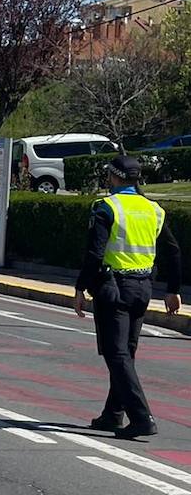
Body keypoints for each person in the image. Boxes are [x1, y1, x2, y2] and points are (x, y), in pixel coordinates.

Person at [73, 155, 181, 438]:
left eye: (109, 175)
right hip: (143, 289)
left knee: (116, 353)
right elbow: (173, 251)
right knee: (126, 353)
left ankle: (141, 417)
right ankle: (113, 415)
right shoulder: (153, 210)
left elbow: (94, 253)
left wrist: (80, 288)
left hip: (114, 287)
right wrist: (173, 290)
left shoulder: (107, 207)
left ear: (115, 177)